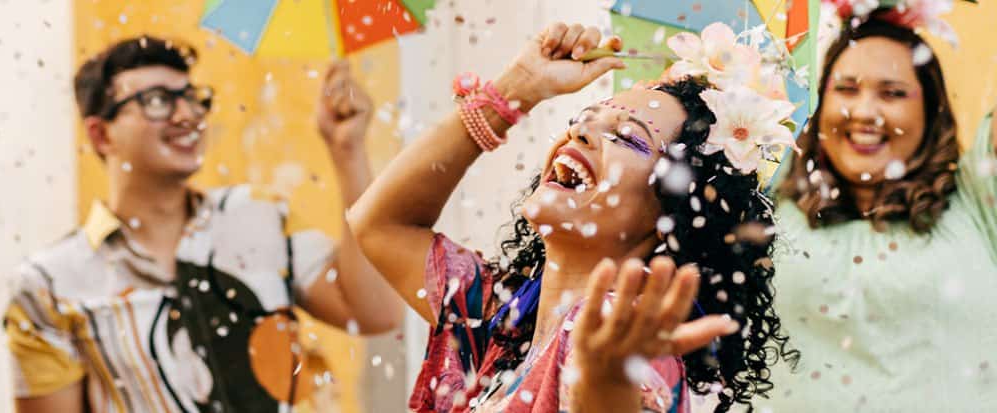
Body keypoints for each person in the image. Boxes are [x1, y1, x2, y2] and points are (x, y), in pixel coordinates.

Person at [348, 22, 795, 413]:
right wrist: (518, 87)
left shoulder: (625, 338)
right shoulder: (499, 321)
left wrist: (605, 385)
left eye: (627, 139)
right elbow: (381, 225)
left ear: (672, 216)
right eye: (585, 118)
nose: (580, 132)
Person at [3, 35, 404, 413]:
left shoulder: (257, 216)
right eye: (157, 100)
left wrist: (347, 151)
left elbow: (374, 311)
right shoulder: (50, 285)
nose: (188, 115)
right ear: (101, 133)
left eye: (193, 98)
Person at [765, 4, 997, 410]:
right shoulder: (769, 188)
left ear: (931, 109)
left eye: (892, 93)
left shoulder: (980, 200)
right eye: (847, 89)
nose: (865, 112)